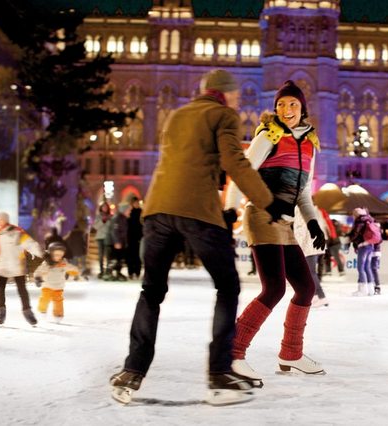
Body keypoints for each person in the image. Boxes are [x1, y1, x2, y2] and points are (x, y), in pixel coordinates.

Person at [110, 69, 274, 406]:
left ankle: (132, 370)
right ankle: (219, 374)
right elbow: (235, 161)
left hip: (157, 210)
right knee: (227, 285)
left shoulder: (179, 114)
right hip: (196, 211)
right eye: (236, 95)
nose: (238, 100)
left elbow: (189, 159)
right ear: (224, 94)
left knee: (151, 291)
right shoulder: (224, 114)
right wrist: (268, 201)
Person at [225, 80, 326, 383]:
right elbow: (241, 173)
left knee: (306, 288)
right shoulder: (268, 137)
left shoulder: (309, 144)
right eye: (281, 104)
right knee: (274, 289)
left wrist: (312, 222)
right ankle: (232, 353)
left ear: (303, 108)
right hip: (261, 215)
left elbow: (304, 192)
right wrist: (230, 208)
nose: (286, 109)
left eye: (292, 104)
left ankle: (291, 354)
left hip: (285, 222)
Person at [0, 211, 44, 326]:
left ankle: (27, 311)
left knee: (22, 290)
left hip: (17, 266)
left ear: (5, 220)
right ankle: (1, 312)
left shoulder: (17, 232)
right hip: (2, 267)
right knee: (0, 290)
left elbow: (30, 244)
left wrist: (41, 253)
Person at [34, 242, 80, 323]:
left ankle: (58, 315)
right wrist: (37, 278)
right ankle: (42, 310)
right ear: (51, 254)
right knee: (44, 299)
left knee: (58, 301)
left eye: (61, 255)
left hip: (58, 287)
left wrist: (76, 273)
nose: (59, 257)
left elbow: (71, 268)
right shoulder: (47, 264)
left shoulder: (63, 263)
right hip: (47, 286)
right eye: (56, 255)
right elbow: (39, 271)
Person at [293, 206, 329, 308]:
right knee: (310, 273)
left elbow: (300, 230)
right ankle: (318, 297)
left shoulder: (300, 209)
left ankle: (320, 297)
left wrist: (299, 247)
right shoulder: (314, 209)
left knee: (310, 273)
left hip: (309, 246)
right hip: (315, 245)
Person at [348, 207, 379, 296]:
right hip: (370, 245)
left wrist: (348, 239)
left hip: (363, 246)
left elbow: (355, 233)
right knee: (367, 267)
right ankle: (371, 289)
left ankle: (363, 290)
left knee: (360, 267)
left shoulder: (360, 221)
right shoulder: (369, 219)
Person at [105, 203, 130, 282]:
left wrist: (124, 242)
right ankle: (108, 273)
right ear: (124, 210)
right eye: (128, 210)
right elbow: (114, 231)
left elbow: (124, 232)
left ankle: (118, 273)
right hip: (113, 243)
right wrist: (117, 242)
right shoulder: (117, 218)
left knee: (120, 259)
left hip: (120, 242)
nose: (130, 211)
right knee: (113, 259)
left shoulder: (124, 218)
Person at [93, 202, 112, 278]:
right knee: (101, 255)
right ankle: (101, 271)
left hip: (107, 237)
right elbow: (95, 226)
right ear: (101, 208)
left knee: (108, 255)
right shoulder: (98, 216)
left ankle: (108, 270)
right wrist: (103, 221)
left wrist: (107, 220)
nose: (105, 208)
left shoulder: (110, 216)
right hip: (100, 237)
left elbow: (111, 226)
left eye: (106, 207)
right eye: (103, 207)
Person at [126, 197, 143, 280]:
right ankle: (130, 272)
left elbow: (143, 225)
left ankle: (137, 272)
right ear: (132, 204)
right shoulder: (130, 213)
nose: (137, 204)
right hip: (130, 238)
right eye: (135, 203)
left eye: (138, 203)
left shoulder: (142, 213)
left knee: (138, 256)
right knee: (130, 256)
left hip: (139, 237)